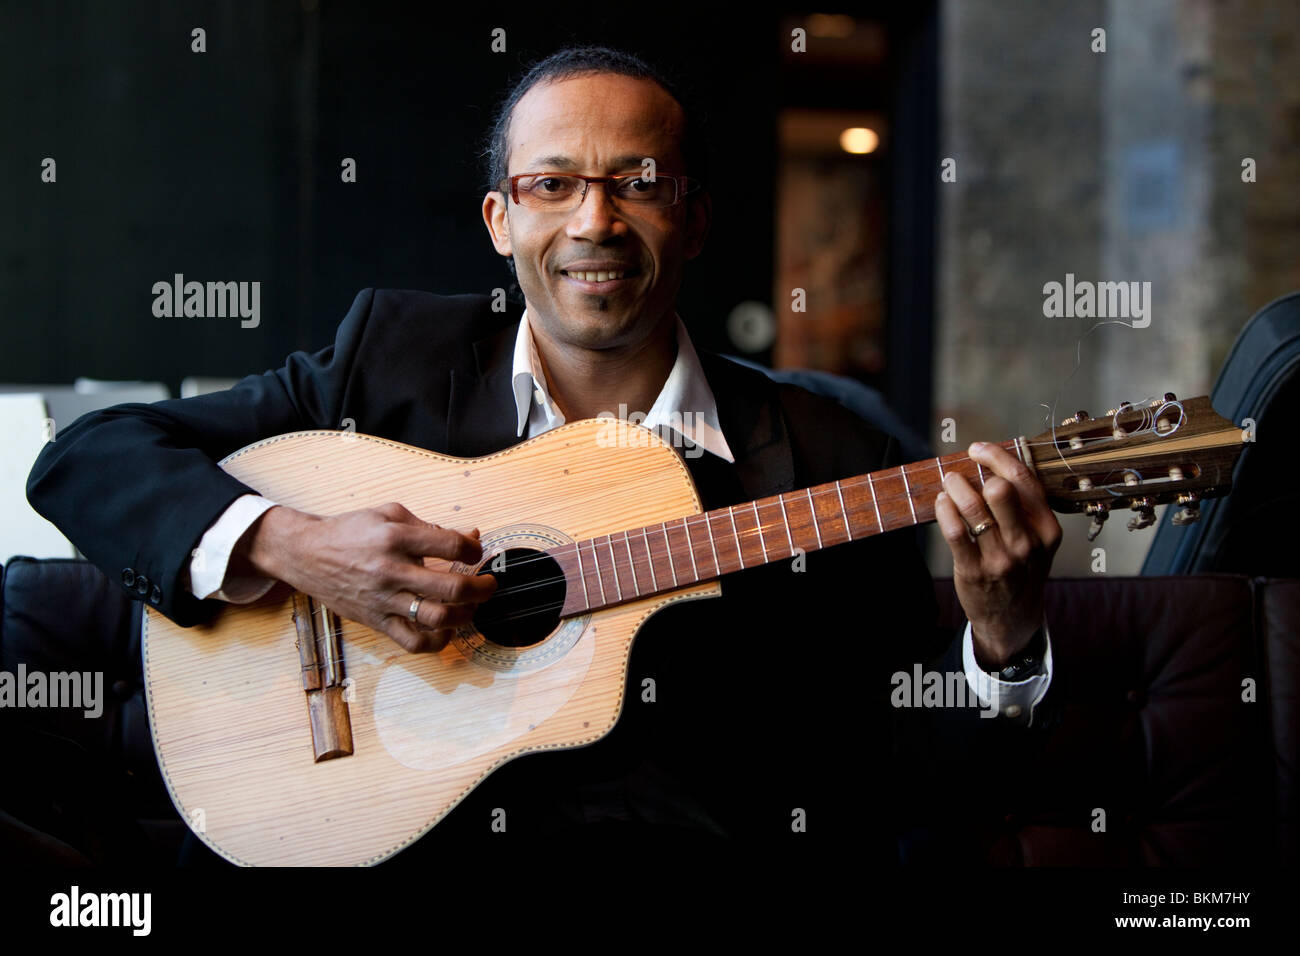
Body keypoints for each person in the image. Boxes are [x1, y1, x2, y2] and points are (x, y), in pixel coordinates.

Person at [27, 45, 1061, 863]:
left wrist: (1002, 644)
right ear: (500, 219)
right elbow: (88, 455)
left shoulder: (830, 455)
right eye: (553, 183)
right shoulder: (388, 362)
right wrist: (293, 544)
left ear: (693, 220)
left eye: (637, 183)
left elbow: (893, 775)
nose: (595, 221)